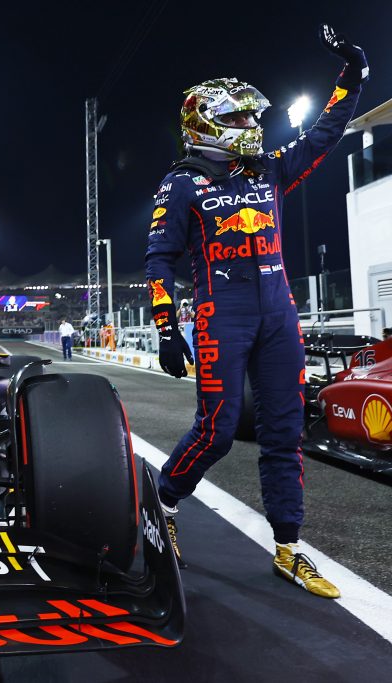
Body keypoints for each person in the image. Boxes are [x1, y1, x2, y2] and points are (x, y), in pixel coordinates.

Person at [145, 24, 367, 598]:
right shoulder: (181, 184)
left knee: (286, 433)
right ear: (206, 124)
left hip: (279, 316)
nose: (252, 125)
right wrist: (167, 328)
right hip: (222, 317)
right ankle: (163, 502)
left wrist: (353, 74)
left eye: (252, 116)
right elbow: (158, 259)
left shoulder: (268, 168)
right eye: (241, 117)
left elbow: (325, 132)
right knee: (217, 432)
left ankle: (288, 547)